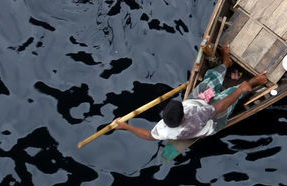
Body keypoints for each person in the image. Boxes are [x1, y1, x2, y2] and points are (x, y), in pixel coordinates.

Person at [113, 46, 267, 141]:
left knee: (210, 79)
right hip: (212, 119)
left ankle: (226, 63)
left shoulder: (163, 129)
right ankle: (254, 82)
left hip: (197, 101)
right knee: (232, 93)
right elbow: (221, 105)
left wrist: (126, 127)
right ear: (184, 116)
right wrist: (240, 89)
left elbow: (148, 135)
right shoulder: (196, 117)